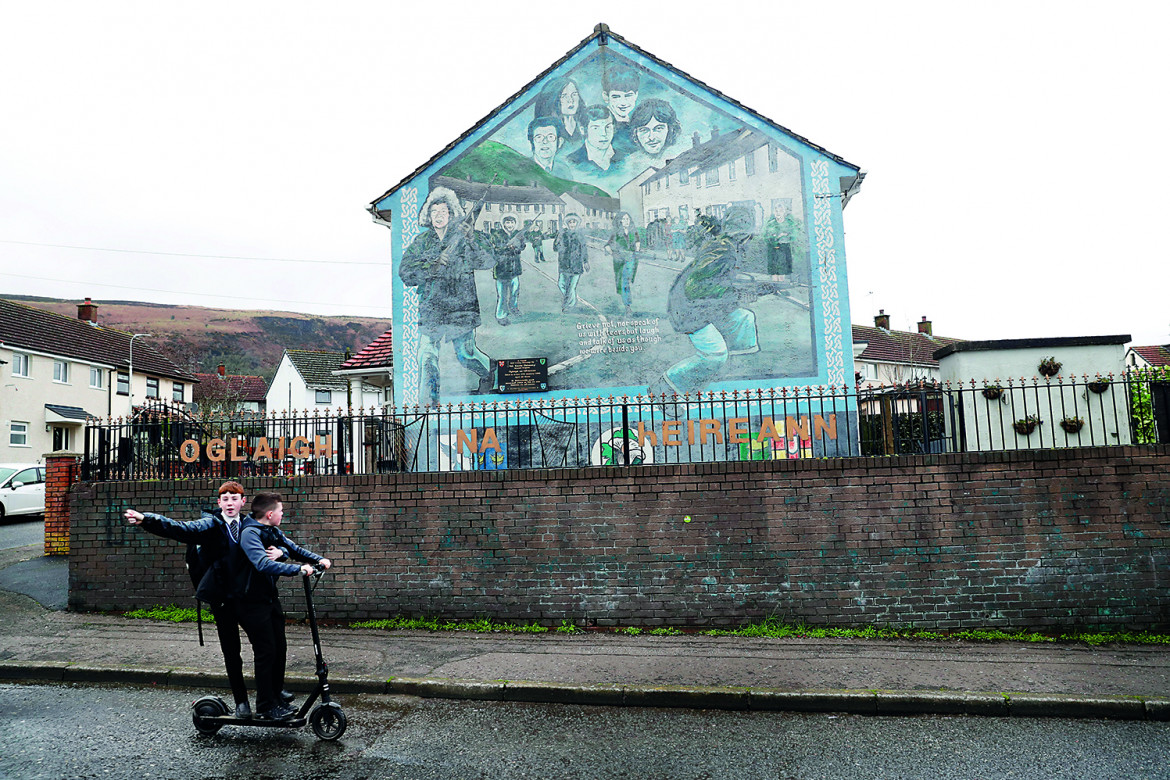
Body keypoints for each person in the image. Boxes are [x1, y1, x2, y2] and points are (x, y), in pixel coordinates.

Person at [123, 481, 290, 721]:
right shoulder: (211, 524)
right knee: (232, 652)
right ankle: (241, 701)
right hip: (223, 601)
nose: (230, 503)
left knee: (269, 648)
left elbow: (279, 543)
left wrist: (282, 554)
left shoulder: (251, 525)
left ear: (243, 502)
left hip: (248, 600)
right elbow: (180, 528)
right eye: (226, 499)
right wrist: (147, 519)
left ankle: (273, 695)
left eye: (235, 499)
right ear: (219, 503)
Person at [237, 491, 331, 721]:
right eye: (280, 511)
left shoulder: (271, 530)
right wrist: (296, 569)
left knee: (280, 647)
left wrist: (318, 559)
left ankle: (276, 694)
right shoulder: (250, 534)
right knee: (266, 651)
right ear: (270, 514)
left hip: (269, 598)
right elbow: (261, 564)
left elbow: (293, 548)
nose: (282, 514)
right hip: (250, 602)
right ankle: (266, 706)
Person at [399, 186, 496, 404]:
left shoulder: (466, 237)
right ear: (428, 216)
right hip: (432, 308)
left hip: (461, 307)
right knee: (426, 355)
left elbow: (488, 261)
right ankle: (429, 403)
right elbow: (405, 272)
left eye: (443, 211)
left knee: (466, 355)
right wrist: (431, 266)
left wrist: (472, 239)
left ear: (451, 214)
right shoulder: (422, 242)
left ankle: (491, 373)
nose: (439, 216)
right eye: (434, 212)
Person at [650, 206, 761, 397]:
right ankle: (664, 389)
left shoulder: (727, 246)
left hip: (704, 306)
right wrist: (738, 295)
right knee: (715, 355)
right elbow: (697, 289)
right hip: (690, 311)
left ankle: (732, 370)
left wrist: (741, 290)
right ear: (745, 236)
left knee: (745, 318)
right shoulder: (723, 250)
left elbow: (718, 281)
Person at [566, 106, 625, 174]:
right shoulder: (572, 161)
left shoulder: (624, 158)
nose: (604, 133)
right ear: (583, 130)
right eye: (596, 128)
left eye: (608, 127)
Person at [490, 215, 526, 326]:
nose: (510, 225)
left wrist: (520, 244)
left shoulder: (517, 234)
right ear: (503, 224)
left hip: (514, 268)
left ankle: (513, 308)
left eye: (512, 223)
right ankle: (501, 315)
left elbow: (521, 248)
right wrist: (507, 247)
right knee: (502, 294)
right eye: (507, 223)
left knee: (515, 291)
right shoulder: (497, 234)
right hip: (502, 269)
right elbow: (494, 250)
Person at [604, 211, 641, 316]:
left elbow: (638, 243)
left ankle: (627, 304)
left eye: (628, 219)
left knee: (627, 280)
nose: (626, 221)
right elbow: (607, 246)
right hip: (620, 261)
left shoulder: (634, 232)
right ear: (619, 221)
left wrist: (637, 251)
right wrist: (613, 254)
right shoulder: (616, 233)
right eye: (624, 219)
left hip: (631, 259)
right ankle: (627, 306)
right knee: (624, 282)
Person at [533, 77, 586, 147]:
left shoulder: (584, 123)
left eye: (574, 94)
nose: (571, 100)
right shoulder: (547, 129)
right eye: (564, 96)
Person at [601, 66, 641, 154]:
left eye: (628, 95)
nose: (623, 103)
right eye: (616, 96)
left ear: (636, 95)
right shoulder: (601, 126)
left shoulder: (636, 124)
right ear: (606, 96)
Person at [554, 213, 589, 312]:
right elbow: (555, 248)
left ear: (577, 223)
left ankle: (570, 305)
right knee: (561, 284)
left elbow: (584, 249)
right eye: (570, 222)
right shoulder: (562, 234)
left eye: (574, 222)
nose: (572, 224)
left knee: (571, 287)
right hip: (564, 264)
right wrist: (558, 238)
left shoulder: (580, 235)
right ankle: (570, 300)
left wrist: (585, 261)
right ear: (567, 223)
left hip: (576, 264)